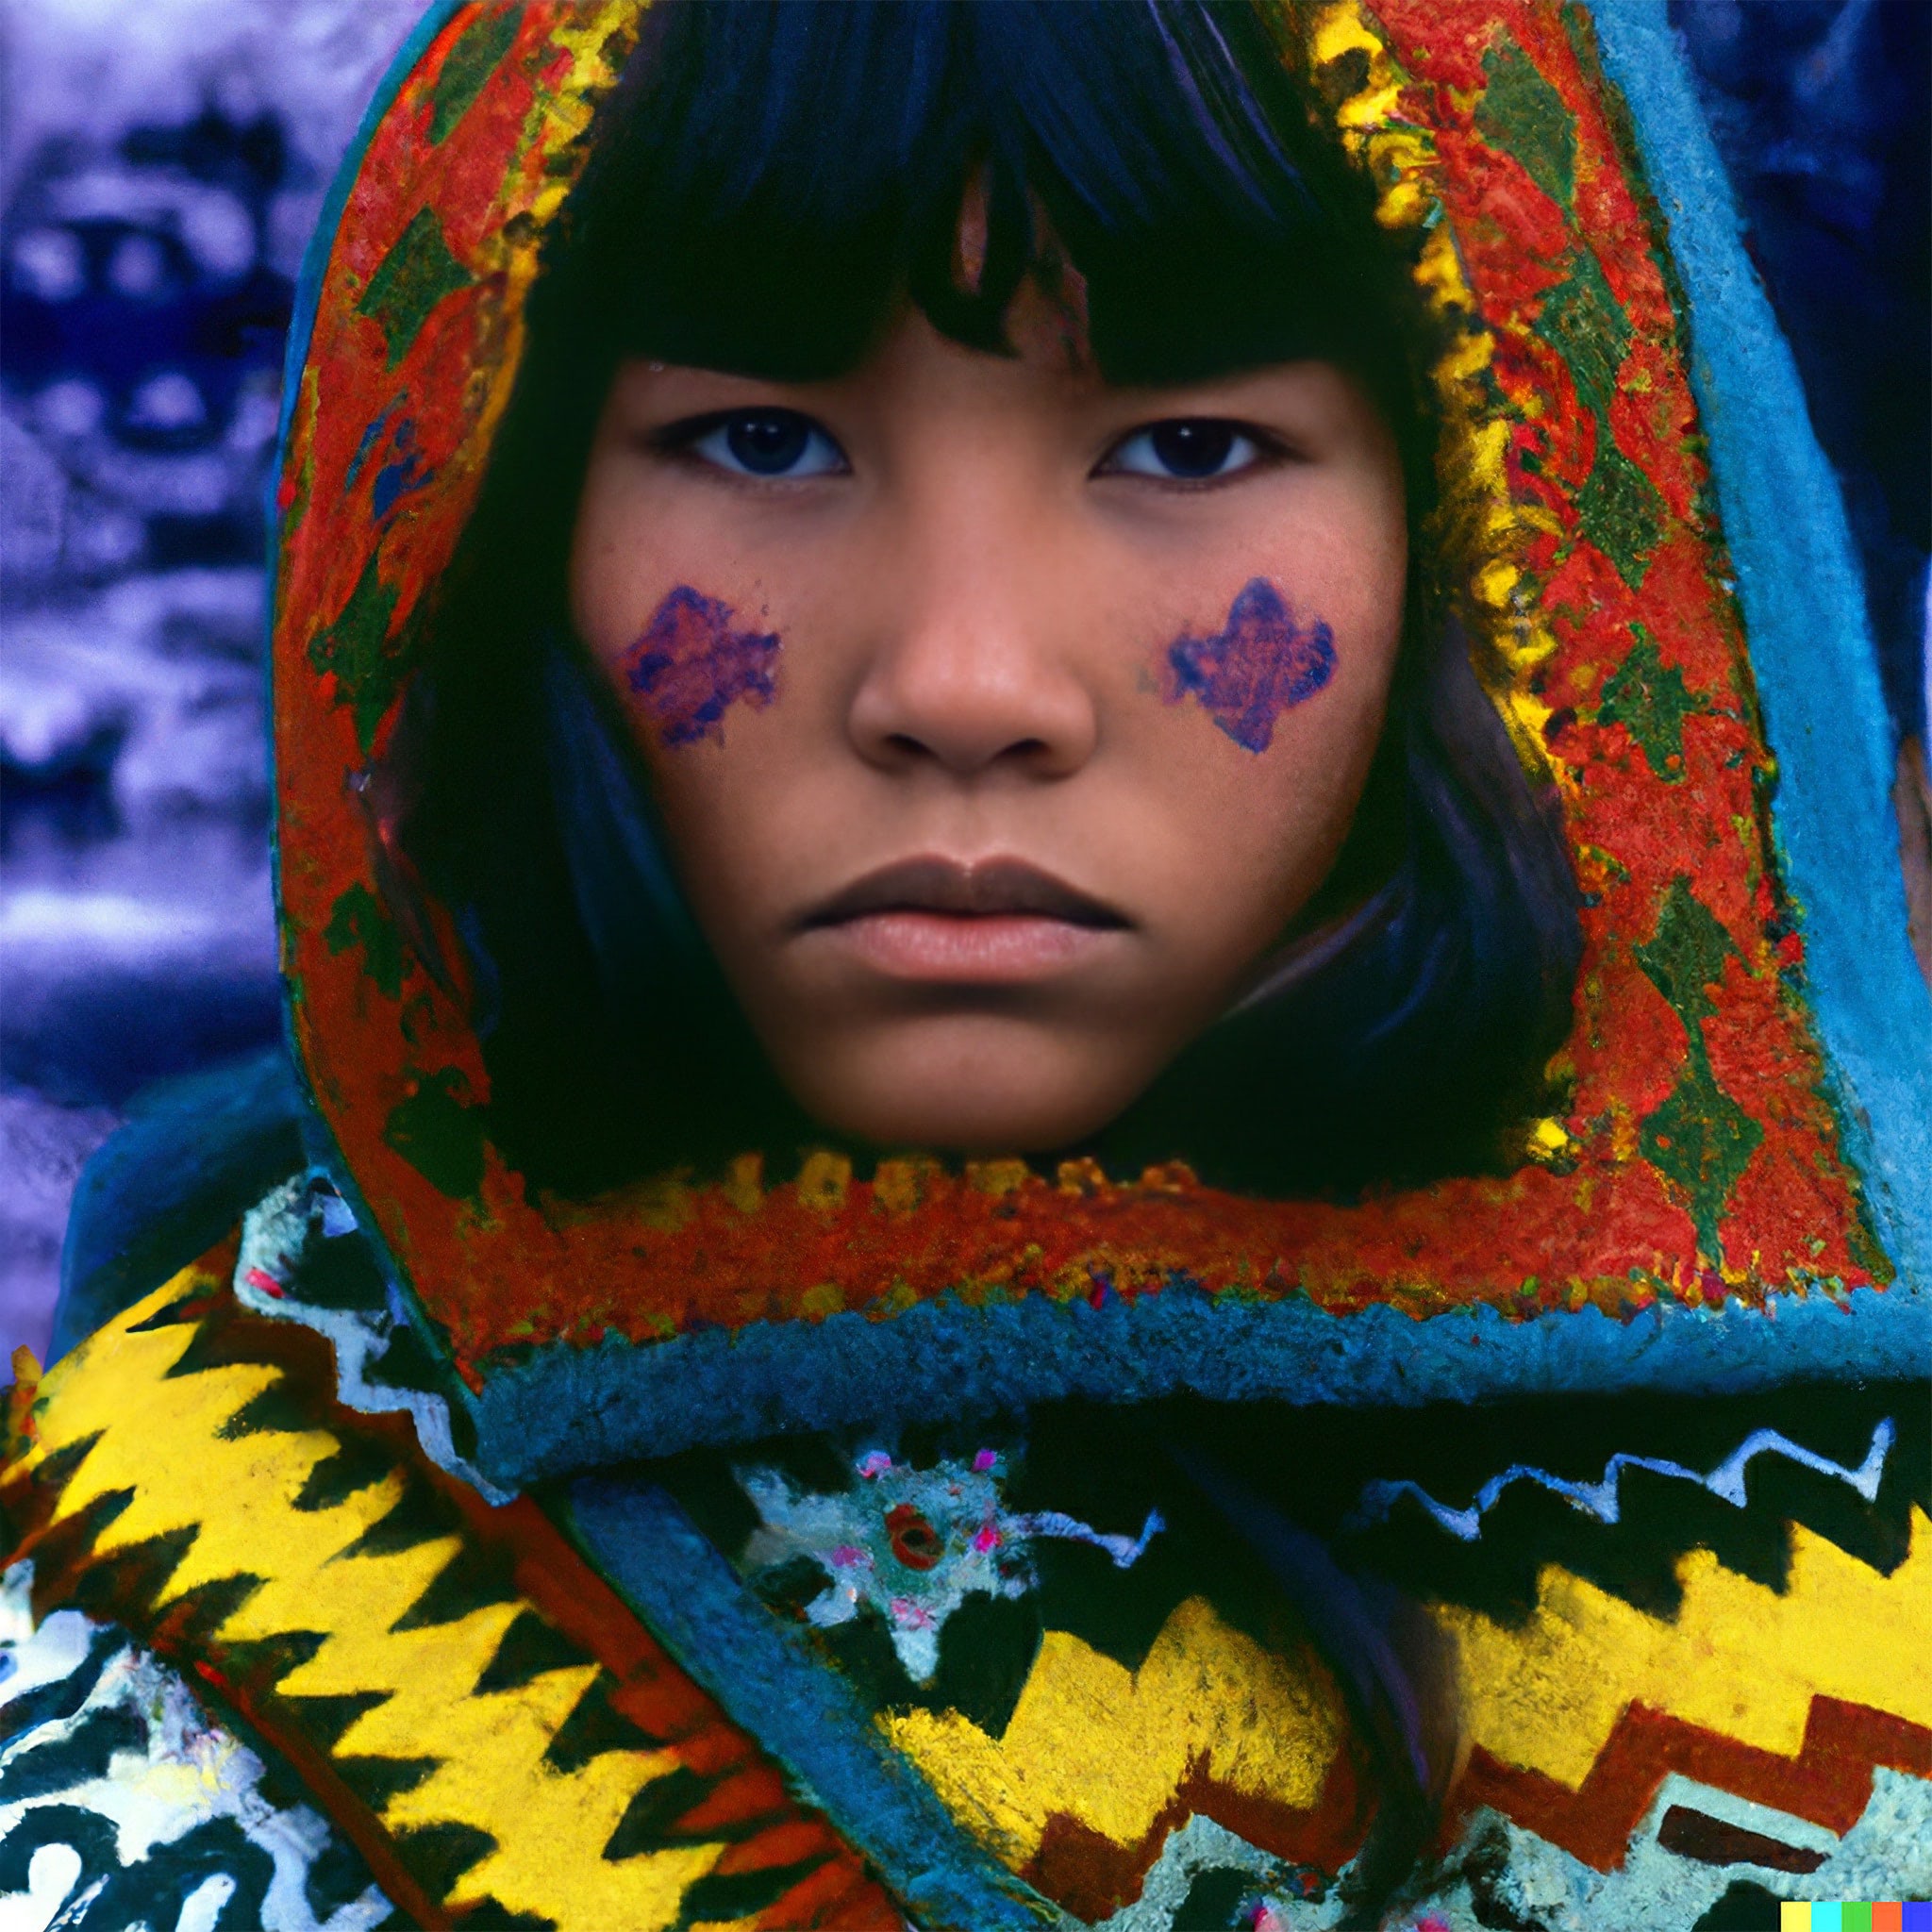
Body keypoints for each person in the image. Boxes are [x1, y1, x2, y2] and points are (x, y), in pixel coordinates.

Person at [4, 4, 1926, 1927]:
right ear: (478, 535)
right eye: (760, 440)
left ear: (1513, 542)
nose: (962, 683)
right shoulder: (201, 1614)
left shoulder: (1854, 1585)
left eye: (1188, 443)